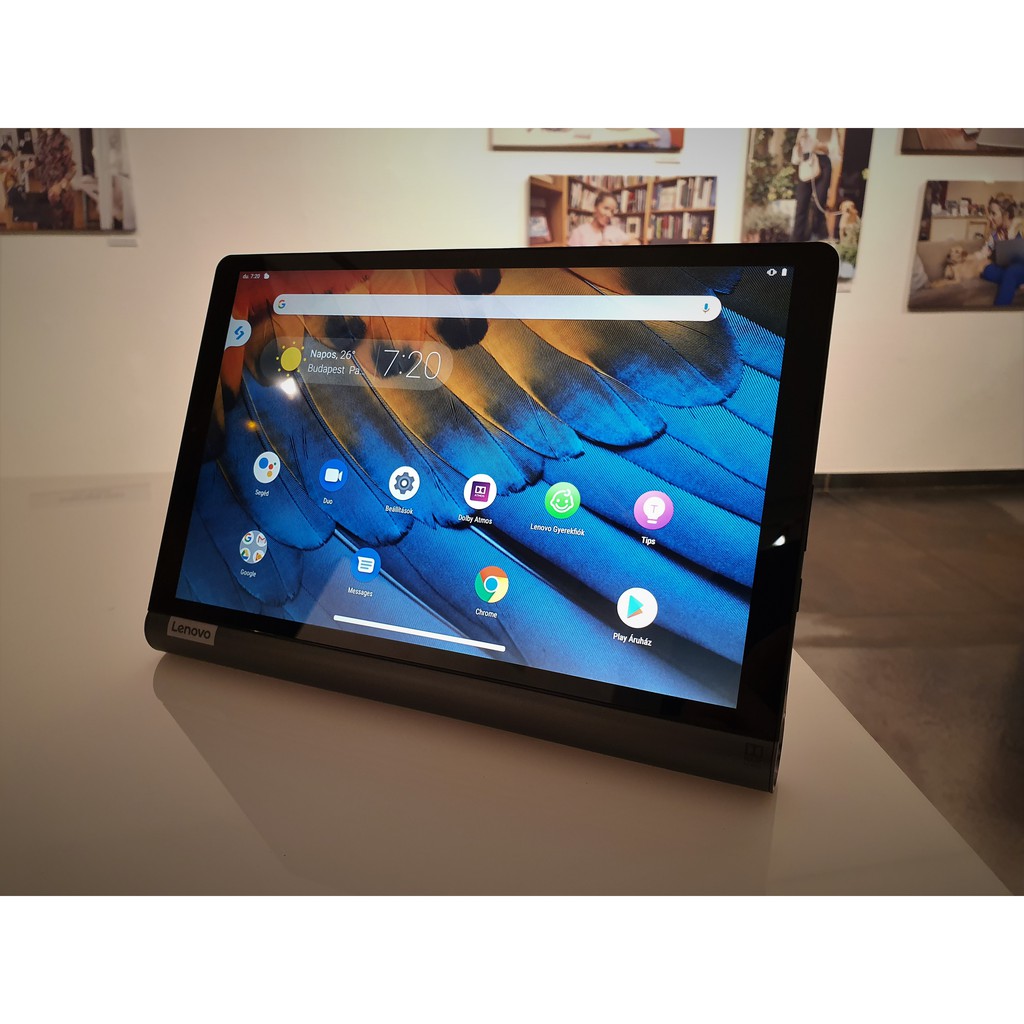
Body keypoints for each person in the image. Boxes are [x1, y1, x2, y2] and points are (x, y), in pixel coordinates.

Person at [790, 129, 839, 242]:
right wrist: (799, 144)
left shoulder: (829, 129)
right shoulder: (805, 129)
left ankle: (816, 237)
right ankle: (796, 239)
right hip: (807, 162)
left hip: (823, 162)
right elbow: (796, 157)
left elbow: (834, 152)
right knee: (801, 204)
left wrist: (818, 146)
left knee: (819, 204)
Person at [978, 194, 1024, 306]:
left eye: (993, 213)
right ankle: (1016, 282)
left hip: (1021, 268)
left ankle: (997, 311)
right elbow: (984, 253)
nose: (990, 217)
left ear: (1005, 215)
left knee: (1012, 271)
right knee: (987, 270)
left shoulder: (1020, 227)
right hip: (1005, 269)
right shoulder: (995, 234)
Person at [35, 128, 77, 230]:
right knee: (43, 228)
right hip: (45, 192)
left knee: (61, 229)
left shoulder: (64, 141)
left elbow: (72, 168)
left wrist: (60, 186)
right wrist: (31, 163)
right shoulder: (42, 140)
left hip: (60, 194)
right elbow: (40, 160)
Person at [567, 191, 640, 246]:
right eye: (606, 208)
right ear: (595, 208)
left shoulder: (614, 230)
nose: (609, 214)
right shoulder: (579, 232)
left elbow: (636, 242)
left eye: (612, 211)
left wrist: (613, 245)